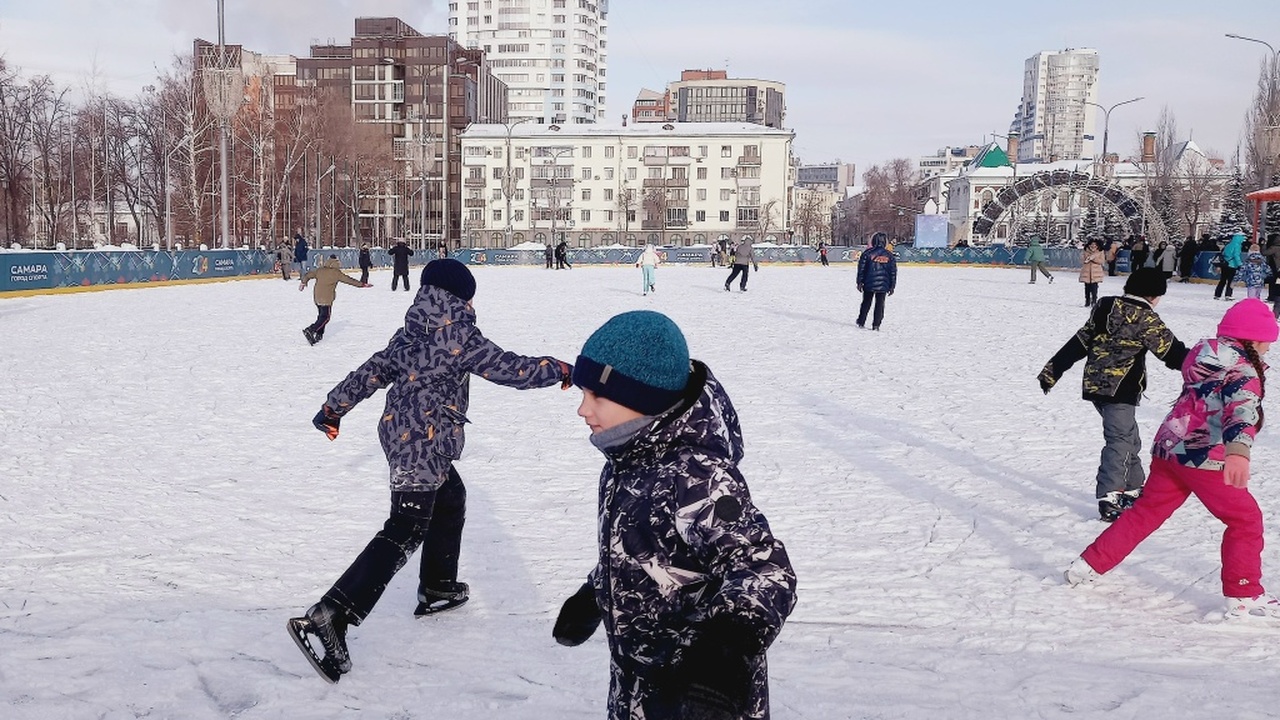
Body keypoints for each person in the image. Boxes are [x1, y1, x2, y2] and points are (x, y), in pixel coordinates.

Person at [287, 258, 574, 683]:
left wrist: (333, 408)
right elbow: (512, 369)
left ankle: (439, 585)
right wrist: (561, 369)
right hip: (425, 442)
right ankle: (332, 615)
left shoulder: (409, 333)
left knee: (450, 497)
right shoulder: (460, 335)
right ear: (461, 298)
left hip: (401, 435)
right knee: (405, 527)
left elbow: (371, 371)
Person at [552, 310, 797, 720]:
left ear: (643, 400)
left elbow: (763, 567)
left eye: (597, 397)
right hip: (637, 686)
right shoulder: (627, 461)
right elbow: (641, 549)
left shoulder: (695, 475)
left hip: (699, 695)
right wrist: (593, 595)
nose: (582, 409)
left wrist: (725, 653)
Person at [1064, 299, 1280, 619]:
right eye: (1268, 341)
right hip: (1204, 457)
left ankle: (1089, 564)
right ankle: (1243, 594)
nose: (1269, 349)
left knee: (1145, 513)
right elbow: (1242, 410)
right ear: (1255, 338)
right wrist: (1238, 452)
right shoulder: (1243, 370)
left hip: (1169, 448)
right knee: (1245, 520)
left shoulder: (1202, 353)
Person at [1039, 267, 1189, 521]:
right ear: (1153, 295)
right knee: (1120, 440)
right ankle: (1110, 494)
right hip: (1121, 389)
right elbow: (1173, 353)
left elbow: (1079, 342)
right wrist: (1206, 365)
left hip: (1096, 386)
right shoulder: (1145, 317)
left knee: (1129, 438)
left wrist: (1052, 370)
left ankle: (1134, 487)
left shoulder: (1104, 308)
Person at [299, 255, 370, 345]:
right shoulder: (336, 273)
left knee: (321, 316)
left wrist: (303, 282)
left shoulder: (320, 270)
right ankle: (310, 329)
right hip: (326, 298)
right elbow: (349, 280)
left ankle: (319, 335)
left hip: (317, 297)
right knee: (326, 317)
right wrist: (362, 284)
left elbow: (308, 275)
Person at [856, 232, 897, 330]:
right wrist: (892, 286)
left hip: (868, 282)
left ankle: (861, 321)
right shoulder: (889, 255)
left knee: (866, 302)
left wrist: (859, 282)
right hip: (883, 284)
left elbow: (861, 269)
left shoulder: (867, 253)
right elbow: (893, 272)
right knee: (880, 304)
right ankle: (876, 324)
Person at [1215, 231, 1245, 300]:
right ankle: (1228, 294)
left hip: (1225, 264)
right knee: (1230, 281)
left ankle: (1217, 294)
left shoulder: (1229, 244)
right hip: (1232, 265)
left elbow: (1223, 253)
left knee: (1222, 280)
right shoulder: (1237, 245)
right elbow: (1236, 255)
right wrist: (1239, 264)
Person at [1079, 240, 1105, 307]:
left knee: (1094, 288)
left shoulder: (1100, 252)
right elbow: (1081, 260)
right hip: (1086, 272)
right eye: (1092, 244)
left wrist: (1093, 259)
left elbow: (1102, 261)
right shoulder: (1085, 251)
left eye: (1095, 245)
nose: (1093, 246)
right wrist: (1087, 259)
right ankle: (1087, 301)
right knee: (1087, 288)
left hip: (1096, 273)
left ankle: (1094, 300)